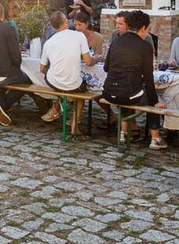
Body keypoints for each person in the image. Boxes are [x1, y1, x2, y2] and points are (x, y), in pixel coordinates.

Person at [101, 10, 168, 149]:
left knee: (129, 90)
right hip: (126, 94)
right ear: (143, 28)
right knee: (150, 100)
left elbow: (106, 68)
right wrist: (155, 101)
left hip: (108, 92)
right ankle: (155, 138)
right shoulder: (145, 46)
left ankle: (123, 133)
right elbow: (149, 78)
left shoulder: (116, 41)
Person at [0, 2, 47, 126]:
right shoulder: (8, 29)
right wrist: (15, 67)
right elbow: (16, 56)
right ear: (2, 15)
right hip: (1, 74)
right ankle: (2, 105)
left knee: (2, 75)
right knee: (28, 79)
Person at [39, 11, 96, 134]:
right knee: (81, 92)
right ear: (66, 22)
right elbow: (88, 62)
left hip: (54, 82)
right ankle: (74, 124)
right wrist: (97, 58)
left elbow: (42, 69)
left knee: (65, 86)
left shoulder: (48, 42)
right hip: (73, 84)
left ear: (53, 27)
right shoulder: (79, 36)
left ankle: (57, 107)